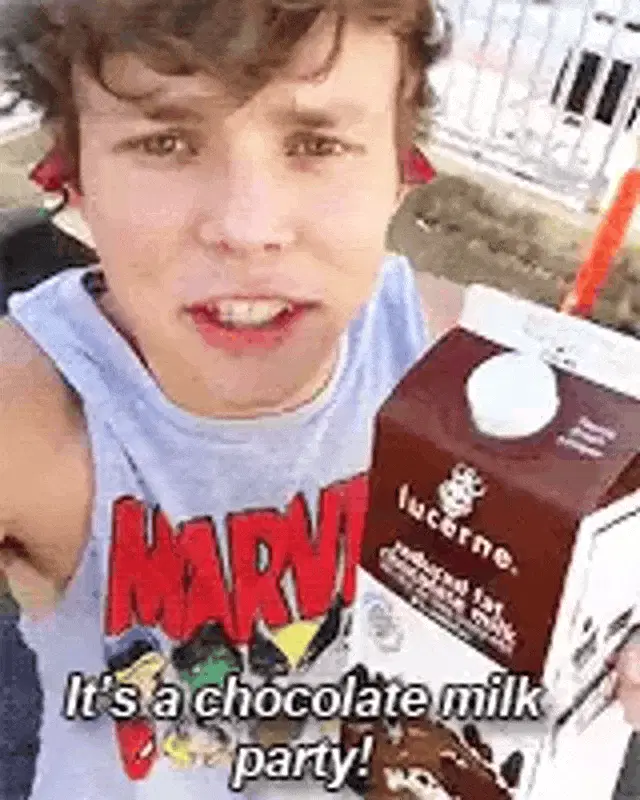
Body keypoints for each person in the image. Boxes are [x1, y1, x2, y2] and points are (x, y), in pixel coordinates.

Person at [0, 1, 638, 799]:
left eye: (316, 143)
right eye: (166, 141)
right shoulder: (38, 406)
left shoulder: (469, 362)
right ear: (74, 180)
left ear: (401, 171)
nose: (248, 228)